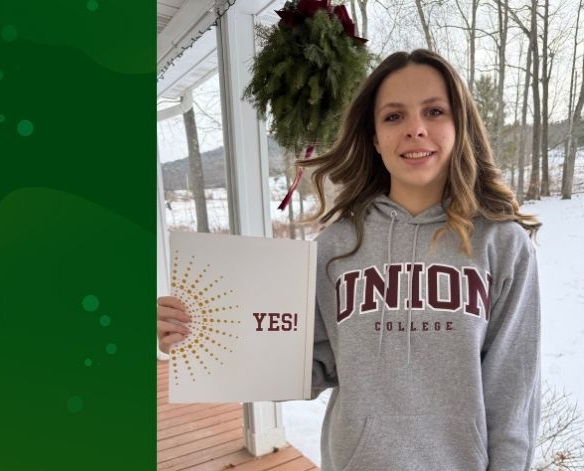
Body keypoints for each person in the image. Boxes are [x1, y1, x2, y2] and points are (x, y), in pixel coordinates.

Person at [158, 49, 541, 471]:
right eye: (394, 117)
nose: (415, 129)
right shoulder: (337, 246)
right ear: (375, 137)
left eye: (434, 111)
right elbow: (306, 364)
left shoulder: (502, 244)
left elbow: (513, 390)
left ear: (460, 125)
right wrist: (201, 336)